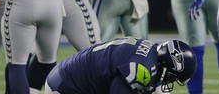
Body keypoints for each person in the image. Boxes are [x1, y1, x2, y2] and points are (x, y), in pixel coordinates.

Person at [44, 36, 197, 94]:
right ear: (166, 65)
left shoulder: (152, 53)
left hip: (65, 77)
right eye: (171, 77)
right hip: (66, 86)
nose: (168, 82)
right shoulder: (142, 68)